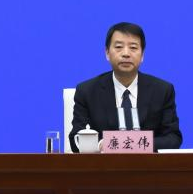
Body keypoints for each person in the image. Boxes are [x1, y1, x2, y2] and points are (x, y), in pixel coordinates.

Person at [69, 22, 182, 151]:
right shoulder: (87, 92)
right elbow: (75, 140)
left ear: (142, 55)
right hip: (104, 163)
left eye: (133, 47)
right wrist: (101, 145)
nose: (126, 53)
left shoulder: (162, 91)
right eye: (119, 47)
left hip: (148, 163)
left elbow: (173, 138)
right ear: (107, 53)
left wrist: (124, 145)